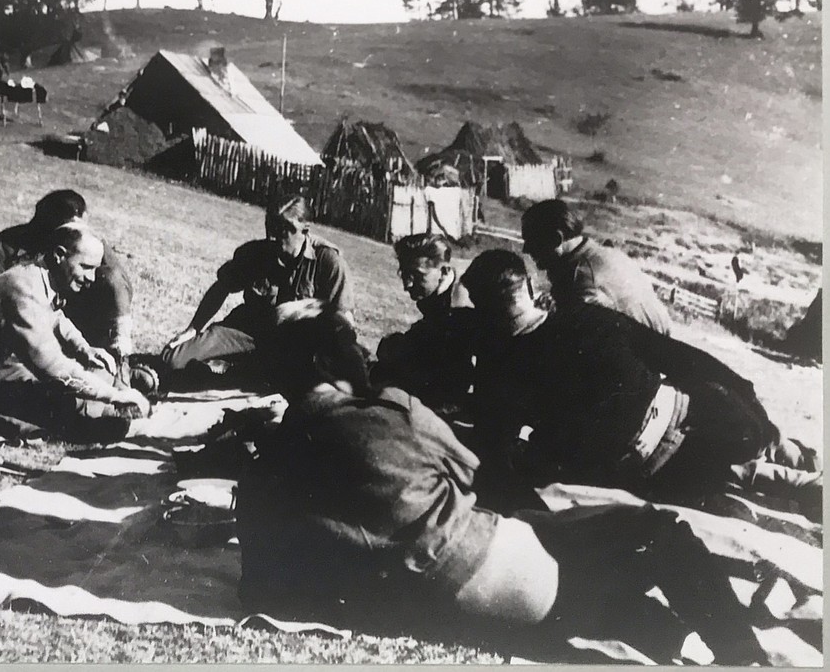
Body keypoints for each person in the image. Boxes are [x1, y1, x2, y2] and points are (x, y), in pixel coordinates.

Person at [233, 302, 768, 665]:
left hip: (411, 603)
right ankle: (748, 661)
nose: (365, 353)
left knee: (594, 568)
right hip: (499, 583)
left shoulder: (269, 455)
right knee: (660, 534)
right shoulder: (391, 411)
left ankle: (656, 628)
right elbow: (477, 473)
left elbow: (262, 572)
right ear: (326, 359)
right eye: (352, 343)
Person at [459, 249, 820, 512]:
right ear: (529, 286)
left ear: (483, 307)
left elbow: (495, 448)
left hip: (655, 473)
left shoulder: (507, 365)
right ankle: (791, 468)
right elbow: (683, 358)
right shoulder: (590, 318)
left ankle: (776, 474)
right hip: (712, 424)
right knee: (742, 470)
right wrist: (758, 413)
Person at [0, 223, 150, 444]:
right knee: (74, 409)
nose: (92, 278)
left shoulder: (38, 275)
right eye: (86, 267)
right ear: (59, 255)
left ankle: (104, 406)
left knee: (90, 383)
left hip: (2, 372)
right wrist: (114, 396)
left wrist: (84, 348)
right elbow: (55, 369)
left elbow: (55, 316)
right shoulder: (22, 291)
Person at [161, 195, 351, 381]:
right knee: (173, 360)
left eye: (284, 229)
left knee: (305, 378)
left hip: (295, 343)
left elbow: (344, 320)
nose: (273, 236)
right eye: (271, 226)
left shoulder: (328, 261)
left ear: (305, 229)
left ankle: (240, 370)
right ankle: (240, 368)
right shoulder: (255, 252)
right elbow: (221, 288)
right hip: (247, 332)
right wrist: (194, 328)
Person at [0, 189, 135, 357]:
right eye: (73, 230)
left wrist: (121, 335)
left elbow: (116, 282)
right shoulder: (11, 243)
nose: (79, 234)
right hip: (12, 331)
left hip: (60, 325)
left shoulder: (86, 243)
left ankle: (118, 364)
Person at [521, 199, 672, 334]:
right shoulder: (607, 254)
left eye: (532, 241)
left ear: (556, 239)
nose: (525, 250)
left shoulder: (579, 280)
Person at [371, 233, 476, 413]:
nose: (407, 285)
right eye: (404, 275)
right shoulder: (441, 295)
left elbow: (454, 378)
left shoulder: (461, 307)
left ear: (443, 271)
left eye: (417, 276)